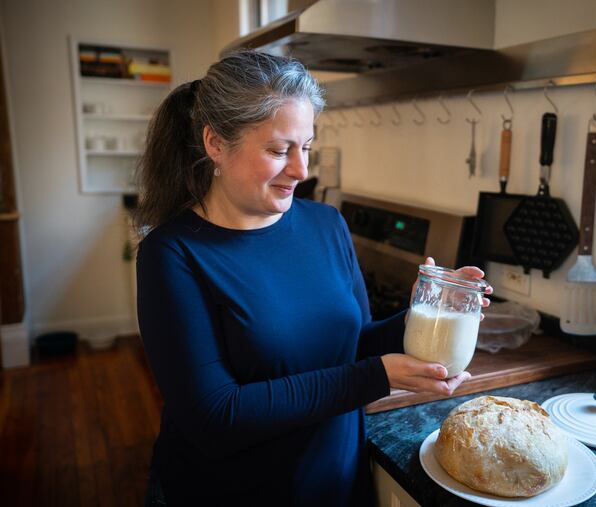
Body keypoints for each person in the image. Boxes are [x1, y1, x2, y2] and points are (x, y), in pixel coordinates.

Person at [133, 49, 490, 506]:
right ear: (216, 144)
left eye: (306, 147)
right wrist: (375, 378)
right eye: (279, 150)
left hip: (334, 482)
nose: (302, 170)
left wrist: (432, 314)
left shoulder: (326, 224)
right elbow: (215, 416)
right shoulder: (173, 254)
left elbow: (354, 344)